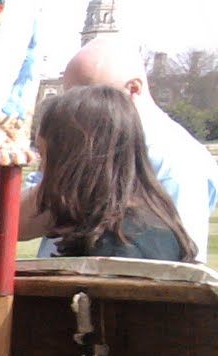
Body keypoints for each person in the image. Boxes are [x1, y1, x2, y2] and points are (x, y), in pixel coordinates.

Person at [20, 34, 218, 261]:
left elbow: (178, 276)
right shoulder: (78, 148)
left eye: (86, 96)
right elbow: (13, 224)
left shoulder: (178, 161)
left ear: (133, 89)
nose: (70, 108)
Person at [31, 86, 197, 262]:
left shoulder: (113, 249)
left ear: (74, 160)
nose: (41, 168)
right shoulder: (155, 225)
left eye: (45, 156)